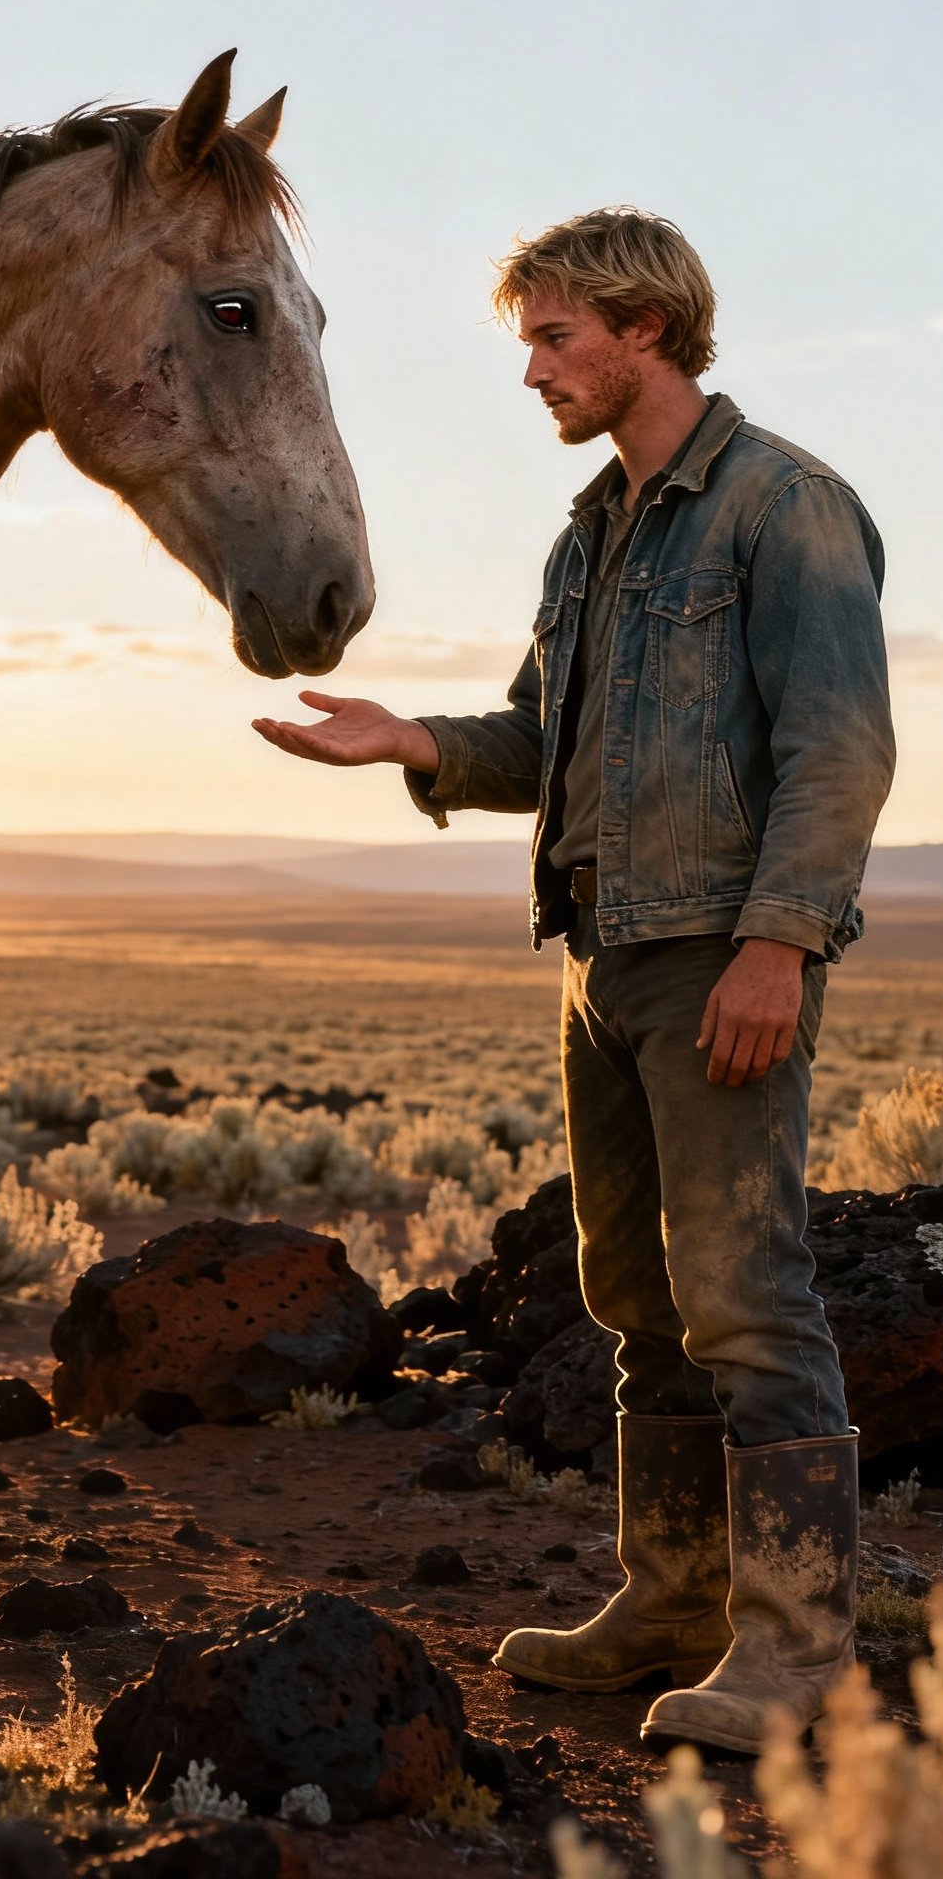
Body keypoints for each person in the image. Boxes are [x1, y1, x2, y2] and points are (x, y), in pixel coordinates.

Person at [253, 207, 895, 1753]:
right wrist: (411, 741)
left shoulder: (781, 507)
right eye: (529, 342)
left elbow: (838, 746)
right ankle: (670, 1607)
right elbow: (546, 744)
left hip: (718, 959)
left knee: (748, 1303)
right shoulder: (588, 534)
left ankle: (801, 1653)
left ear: (646, 333)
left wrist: (775, 946)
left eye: (554, 339)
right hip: (601, 961)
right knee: (639, 1304)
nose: (532, 371)